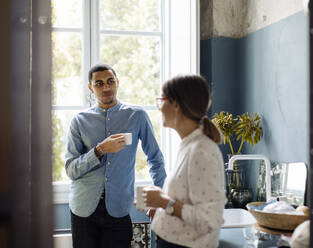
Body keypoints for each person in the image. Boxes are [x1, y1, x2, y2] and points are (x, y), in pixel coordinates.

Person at [65, 63, 167, 248]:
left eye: (110, 81)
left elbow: (155, 159)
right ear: (90, 87)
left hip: (119, 209)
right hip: (83, 209)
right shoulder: (79, 121)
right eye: (99, 83)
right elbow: (71, 170)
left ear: (117, 82)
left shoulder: (136, 116)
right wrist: (99, 150)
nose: (106, 87)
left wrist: (159, 199)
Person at [142, 74, 227, 248]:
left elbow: (209, 219)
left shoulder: (202, 151)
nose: (159, 107)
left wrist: (162, 202)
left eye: (162, 100)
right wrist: (160, 201)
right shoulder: (188, 145)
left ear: (176, 105)